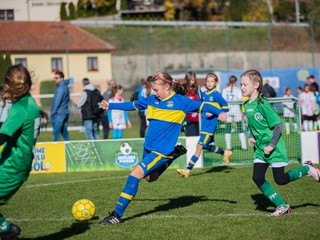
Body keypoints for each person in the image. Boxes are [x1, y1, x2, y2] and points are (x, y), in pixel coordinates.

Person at [99, 71, 227, 225]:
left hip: (161, 150)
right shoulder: (152, 99)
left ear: (167, 87)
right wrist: (110, 105)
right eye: (153, 90)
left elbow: (204, 105)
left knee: (134, 175)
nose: (154, 93)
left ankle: (116, 215)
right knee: (150, 179)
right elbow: (132, 105)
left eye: (156, 90)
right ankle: (174, 156)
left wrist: (220, 112)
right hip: (148, 147)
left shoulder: (181, 102)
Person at [240, 69, 320, 217]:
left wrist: (271, 145)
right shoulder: (246, 105)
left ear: (256, 85)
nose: (242, 87)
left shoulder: (263, 104)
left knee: (280, 180)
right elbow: (253, 124)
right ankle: (282, 206)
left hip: (274, 148)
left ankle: (308, 169)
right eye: (241, 84)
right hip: (260, 149)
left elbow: (278, 125)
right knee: (257, 177)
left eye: (245, 84)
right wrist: (252, 136)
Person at [0, 64, 41, 239]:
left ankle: (6, 229)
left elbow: (2, 137)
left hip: (12, 165)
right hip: (18, 163)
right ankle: (5, 229)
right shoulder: (30, 102)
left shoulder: (20, 109)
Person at [176, 73, 231, 178]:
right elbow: (200, 105)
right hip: (204, 124)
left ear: (216, 83)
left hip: (210, 125)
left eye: (212, 81)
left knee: (199, 146)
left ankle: (187, 170)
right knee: (205, 146)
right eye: (208, 81)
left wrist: (215, 113)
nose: (209, 83)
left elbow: (226, 107)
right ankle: (225, 152)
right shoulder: (203, 94)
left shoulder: (216, 95)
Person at [222, 75, 247, 150]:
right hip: (236, 110)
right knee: (240, 128)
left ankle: (228, 147)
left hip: (228, 110)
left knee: (228, 128)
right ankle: (244, 146)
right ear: (235, 81)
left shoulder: (224, 90)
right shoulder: (238, 90)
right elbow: (240, 100)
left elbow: (223, 101)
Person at [51, 71, 71, 141]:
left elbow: (57, 102)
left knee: (56, 134)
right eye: (54, 78)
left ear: (62, 78)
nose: (55, 79)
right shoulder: (66, 87)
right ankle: (70, 147)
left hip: (59, 113)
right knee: (64, 133)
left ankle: (56, 150)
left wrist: (53, 113)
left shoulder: (60, 88)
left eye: (57, 78)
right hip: (65, 112)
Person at [183, 71, 200, 136]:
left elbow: (200, 101)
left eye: (193, 80)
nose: (192, 82)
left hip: (197, 117)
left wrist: (196, 111)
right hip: (187, 118)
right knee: (191, 137)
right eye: (190, 80)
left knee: (197, 137)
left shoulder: (197, 88)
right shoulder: (183, 88)